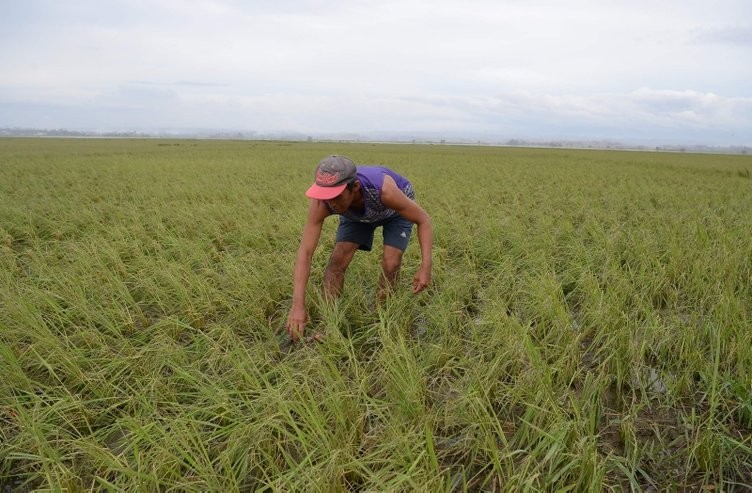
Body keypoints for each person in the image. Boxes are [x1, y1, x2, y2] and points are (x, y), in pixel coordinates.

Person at [286, 155, 433, 341]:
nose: (331, 204)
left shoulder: (384, 190)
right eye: (326, 197)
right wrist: (297, 305)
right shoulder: (325, 202)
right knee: (337, 260)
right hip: (355, 214)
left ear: (354, 187)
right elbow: (305, 252)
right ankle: (329, 324)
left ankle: (381, 321)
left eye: (336, 197)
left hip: (395, 211)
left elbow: (424, 220)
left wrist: (426, 265)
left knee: (391, 262)